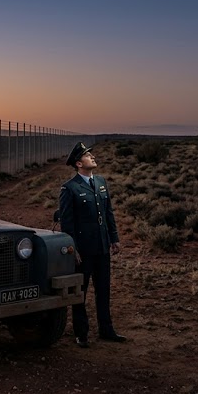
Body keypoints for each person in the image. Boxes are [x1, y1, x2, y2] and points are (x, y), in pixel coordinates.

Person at [58, 142, 127, 348]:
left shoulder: (101, 182)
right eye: (88, 155)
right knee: (82, 291)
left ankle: (107, 330)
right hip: (84, 250)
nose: (93, 157)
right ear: (79, 163)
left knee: (103, 290)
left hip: (102, 246)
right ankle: (81, 333)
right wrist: (74, 249)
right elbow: (67, 223)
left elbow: (108, 213)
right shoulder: (69, 188)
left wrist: (114, 238)